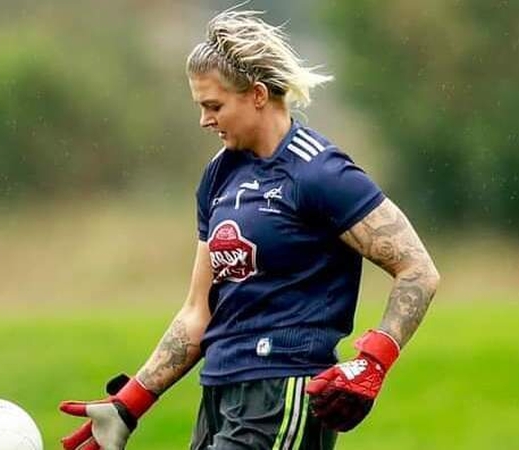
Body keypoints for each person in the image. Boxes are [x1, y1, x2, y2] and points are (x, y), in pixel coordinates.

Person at [58, 8, 440, 450]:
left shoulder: (319, 174)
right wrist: (130, 402)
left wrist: (373, 361)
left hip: (283, 392)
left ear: (257, 95)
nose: (204, 120)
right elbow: (198, 313)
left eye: (214, 106)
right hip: (220, 392)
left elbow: (418, 269)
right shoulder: (218, 178)